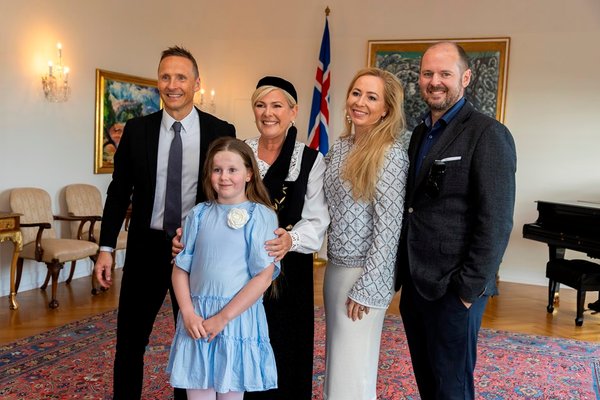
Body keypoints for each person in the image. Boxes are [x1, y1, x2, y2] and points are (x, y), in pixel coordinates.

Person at [94, 45, 235, 400]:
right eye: (165, 77)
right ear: (158, 81)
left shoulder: (220, 131)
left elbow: (229, 193)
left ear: (196, 83)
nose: (173, 85)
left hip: (197, 253)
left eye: (181, 77)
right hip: (145, 248)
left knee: (192, 341)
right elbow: (118, 192)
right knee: (130, 341)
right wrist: (106, 247)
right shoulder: (136, 130)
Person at [174, 76, 329, 399]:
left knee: (284, 349)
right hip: (228, 276)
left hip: (283, 270)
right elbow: (210, 205)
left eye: (277, 106)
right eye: (260, 105)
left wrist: (290, 240)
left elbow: (317, 219)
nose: (268, 113)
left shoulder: (310, 160)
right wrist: (187, 238)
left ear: (293, 112)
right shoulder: (238, 152)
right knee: (227, 354)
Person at [395, 42, 516, 400]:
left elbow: (496, 221)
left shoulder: (488, 133)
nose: (435, 81)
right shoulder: (420, 132)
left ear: (465, 78)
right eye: (427, 73)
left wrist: (467, 290)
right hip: (416, 283)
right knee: (428, 380)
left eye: (445, 73)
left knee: (453, 386)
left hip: (453, 288)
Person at [168, 137, 280, 400]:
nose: (224, 177)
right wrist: (188, 313)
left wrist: (223, 318)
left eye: (232, 170)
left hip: (235, 319)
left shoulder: (260, 216)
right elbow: (181, 268)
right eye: (217, 170)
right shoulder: (198, 214)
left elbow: (263, 277)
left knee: (231, 392)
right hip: (197, 318)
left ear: (249, 174)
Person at [322, 67, 409, 399]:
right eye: (356, 93)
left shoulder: (390, 154)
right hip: (335, 268)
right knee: (338, 361)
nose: (360, 102)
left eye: (372, 97)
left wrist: (368, 287)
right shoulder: (341, 147)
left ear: (386, 109)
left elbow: (389, 227)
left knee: (353, 366)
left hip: (365, 274)